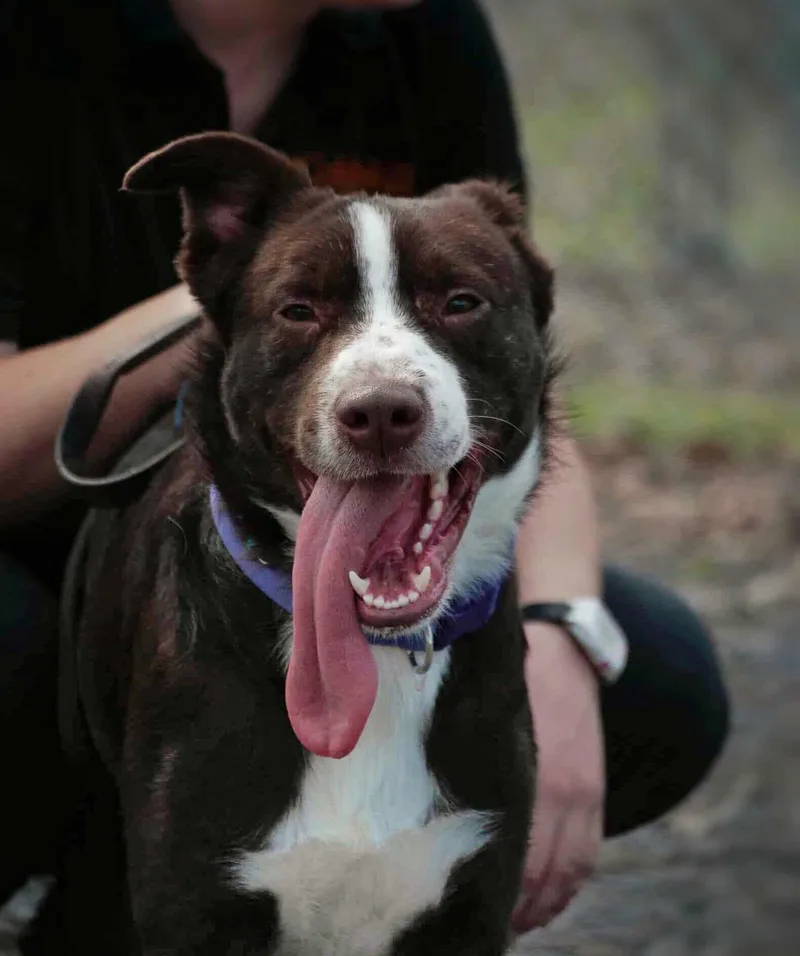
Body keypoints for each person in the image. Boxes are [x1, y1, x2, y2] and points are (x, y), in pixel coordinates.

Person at [0, 0, 729, 941]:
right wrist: (237, 288)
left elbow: (514, 381)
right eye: (305, 306)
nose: (383, 377)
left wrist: (561, 631)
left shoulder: (423, 27)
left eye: (452, 298)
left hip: (361, 516)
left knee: (651, 673)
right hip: (51, 548)